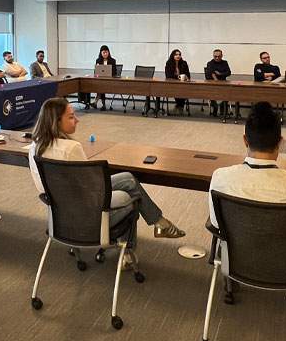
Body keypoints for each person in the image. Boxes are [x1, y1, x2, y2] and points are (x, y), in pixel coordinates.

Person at [28, 97, 185, 248]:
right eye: (71, 117)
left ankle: (160, 223)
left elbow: (48, 188)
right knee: (130, 198)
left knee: (128, 179)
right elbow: (92, 189)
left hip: (59, 215)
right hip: (87, 216)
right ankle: (128, 254)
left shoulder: (34, 147)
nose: (77, 120)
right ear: (56, 122)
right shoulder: (71, 148)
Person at [209, 102, 286, 240]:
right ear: (280, 143)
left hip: (233, 260)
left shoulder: (220, 178)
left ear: (245, 141)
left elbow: (216, 223)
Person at [205, 49, 232, 116]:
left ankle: (222, 107)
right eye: (215, 56)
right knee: (210, 93)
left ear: (222, 56)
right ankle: (215, 107)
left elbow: (228, 73)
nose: (217, 58)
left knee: (229, 92)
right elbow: (212, 73)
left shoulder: (225, 63)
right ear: (213, 56)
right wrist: (217, 80)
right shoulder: (210, 63)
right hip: (212, 83)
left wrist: (220, 74)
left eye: (219, 56)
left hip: (223, 83)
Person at [164, 49, 190, 114]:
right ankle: (180, 106)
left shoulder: (184, 63)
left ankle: (179, 106)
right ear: (173, 55)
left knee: (182, 89)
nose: (178, 56)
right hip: (172, 84)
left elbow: (188, 74)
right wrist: (179, 77)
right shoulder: (169, 63)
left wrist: (186, 77)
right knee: (176, 89)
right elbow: (168, 75)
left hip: (183, 84)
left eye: (179, 55)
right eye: (176, 55)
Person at [92, 45, 115, 111]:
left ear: (109, 52)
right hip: (101, 80)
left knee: (101, 87)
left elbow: (114, 72)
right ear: (101, 53)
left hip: (110, 80)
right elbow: (95, 71)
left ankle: (96, 102)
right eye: (103, 52)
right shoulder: (98, 60)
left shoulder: (112, 61)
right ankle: (102, 105)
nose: (105, 54)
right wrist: (97, 76)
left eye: (106, 52)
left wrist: (109, 75)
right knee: (101, 86)